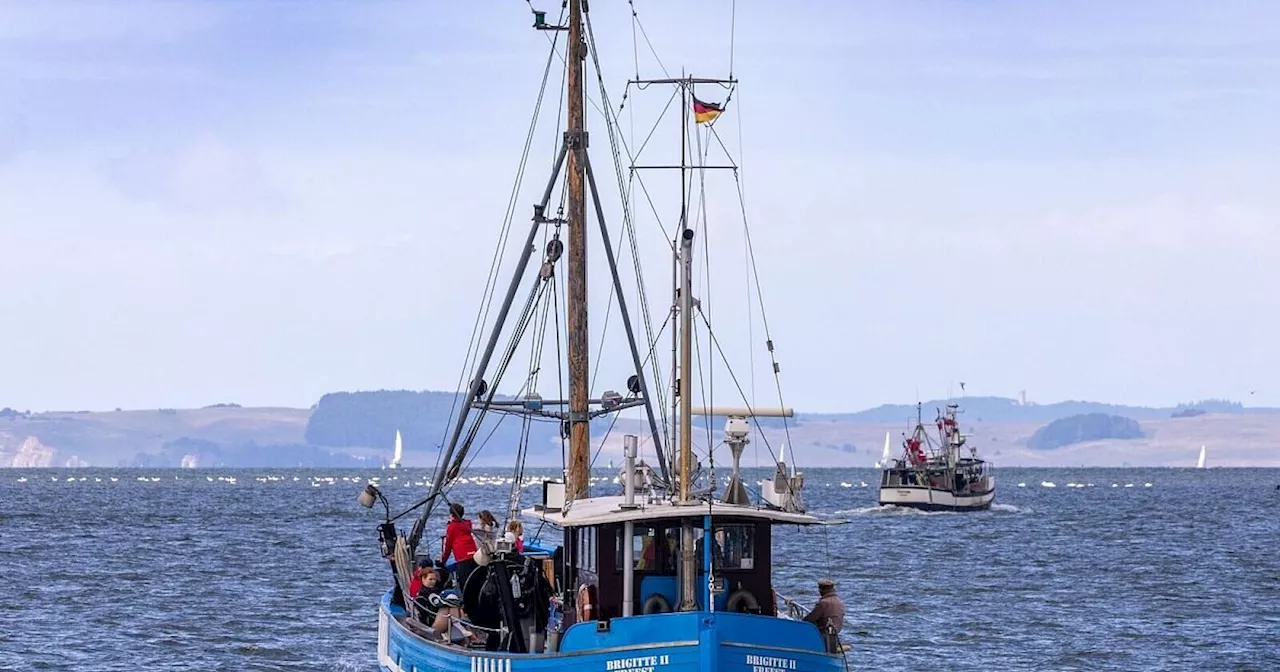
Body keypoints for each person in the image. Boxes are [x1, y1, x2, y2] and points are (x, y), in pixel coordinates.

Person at [441, 503, 479, 592]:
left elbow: (448, 546)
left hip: (462, 557)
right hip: (473, 554)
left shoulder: (452, 527)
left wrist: (443, 560)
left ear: (451, 514)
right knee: (475, 580)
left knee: (465, 582)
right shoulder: (467, 524)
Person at [803, 578, 845, 653]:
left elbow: (809, 619)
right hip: (834, 635)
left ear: (823, 590)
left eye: (820, 589)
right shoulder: (839, 602)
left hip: (823, 635)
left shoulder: (823, 603)